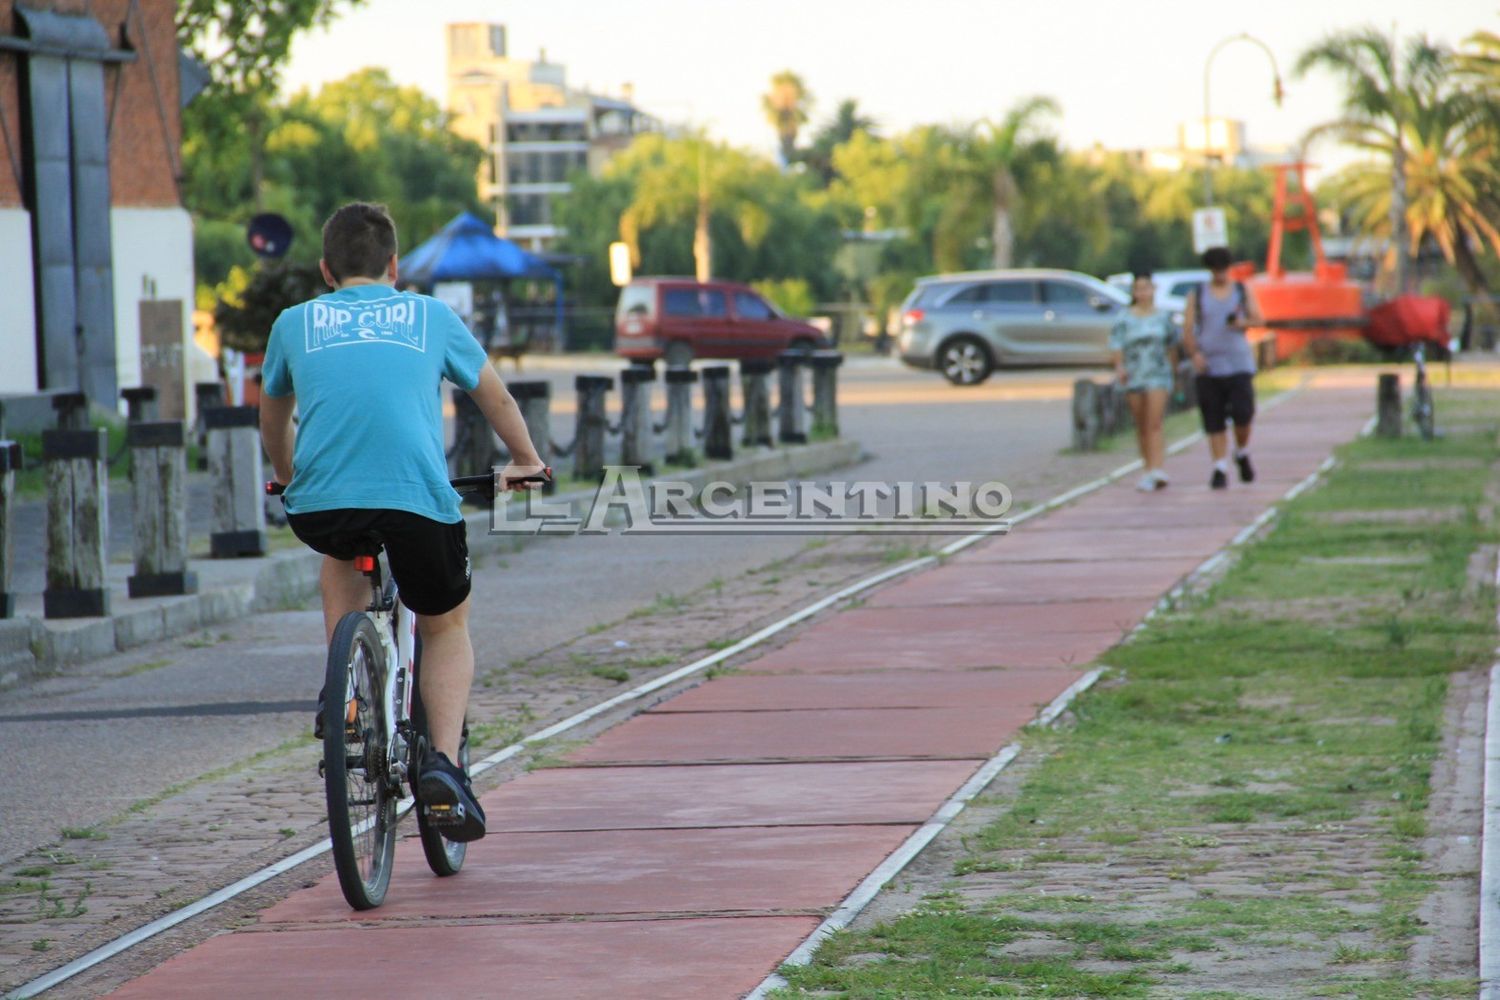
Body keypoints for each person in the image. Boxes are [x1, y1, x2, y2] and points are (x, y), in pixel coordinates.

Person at [259, 202, 545, 843]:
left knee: (341, 551)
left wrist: (289, 477)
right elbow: (492, 394)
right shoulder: (429, 315)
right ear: (394, 267)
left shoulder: (292, 323)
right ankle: (443, 766)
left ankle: (347, 693)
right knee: (444, 624)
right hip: (416, 500)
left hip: (324, 506)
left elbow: (273, 417)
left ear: (326, 270)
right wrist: (525, 459)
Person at [1181, 246, 1263, 489]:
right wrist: (1194, 354)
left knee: (1243, 413)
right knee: (1213, 418)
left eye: (1223, 270)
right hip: (1210, 365)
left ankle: (1242, 451)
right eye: (1216, 270)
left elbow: (1259, 318)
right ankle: (1219, 466)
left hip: (1238, 363)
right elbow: (1187, 328)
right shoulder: (1198, 294)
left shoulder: (1241, 290)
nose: (1220, 275)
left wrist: (1242, 323)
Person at [1109, 271, 1179, 491]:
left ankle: (1158, 468)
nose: (1143, 293)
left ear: (1153, 289)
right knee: (1141, 425)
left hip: (1157, 373)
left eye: (1146, 288)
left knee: (1154, 422)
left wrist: (1173, 372)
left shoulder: (1163, 317)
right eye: (1138, 289)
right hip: (1134, 373)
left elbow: (1172, 345)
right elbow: (1116, 345)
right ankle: (1147, 468)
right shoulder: (1124, 317)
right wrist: (1119, 367)